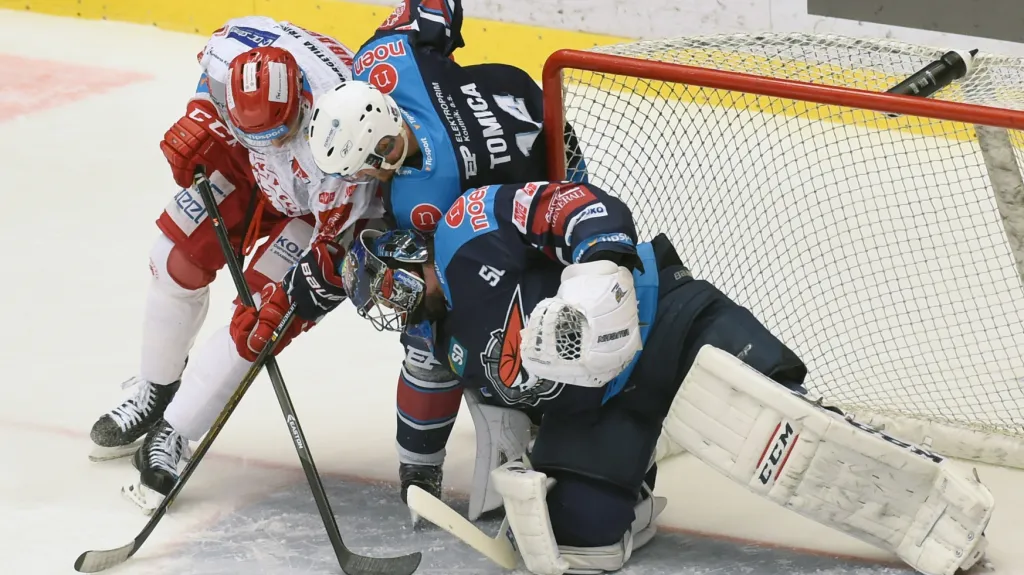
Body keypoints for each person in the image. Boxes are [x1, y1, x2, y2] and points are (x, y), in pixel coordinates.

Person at [337, 181, 994, 575]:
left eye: (394, 286)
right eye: (382, 307)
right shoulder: (436, 339)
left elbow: (575, 204)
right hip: (600, 411)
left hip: (666, 322)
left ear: (407, 250)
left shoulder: (466, 227)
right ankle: (633, 483)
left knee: (787, 430)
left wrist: (597, 270)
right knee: (580, 542)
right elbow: (468, 402)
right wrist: (481, 469)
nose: (397, 306)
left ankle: (936, 491)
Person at [252, 0, 588, 511]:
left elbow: (423, 276)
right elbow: (434, 7)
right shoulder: (383, 61)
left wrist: (319, 284)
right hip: (550, 141)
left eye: (370, 168)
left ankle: (432, 464)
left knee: (432, 336)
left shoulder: (425, 201)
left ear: (384, 144)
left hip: (537, 209)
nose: (367, 181)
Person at [88, 16, 382, 510]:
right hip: (247, 167)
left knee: (257, 322)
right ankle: (155, 390)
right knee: (174, 257)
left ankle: (176, 432)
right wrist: (200, 120)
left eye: (281, 130)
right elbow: (208, 84)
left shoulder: (341, 136)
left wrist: (298, 295)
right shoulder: (238, 47)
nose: (273, 142)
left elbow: (337, 244)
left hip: (312, 206)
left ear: (303, 102)